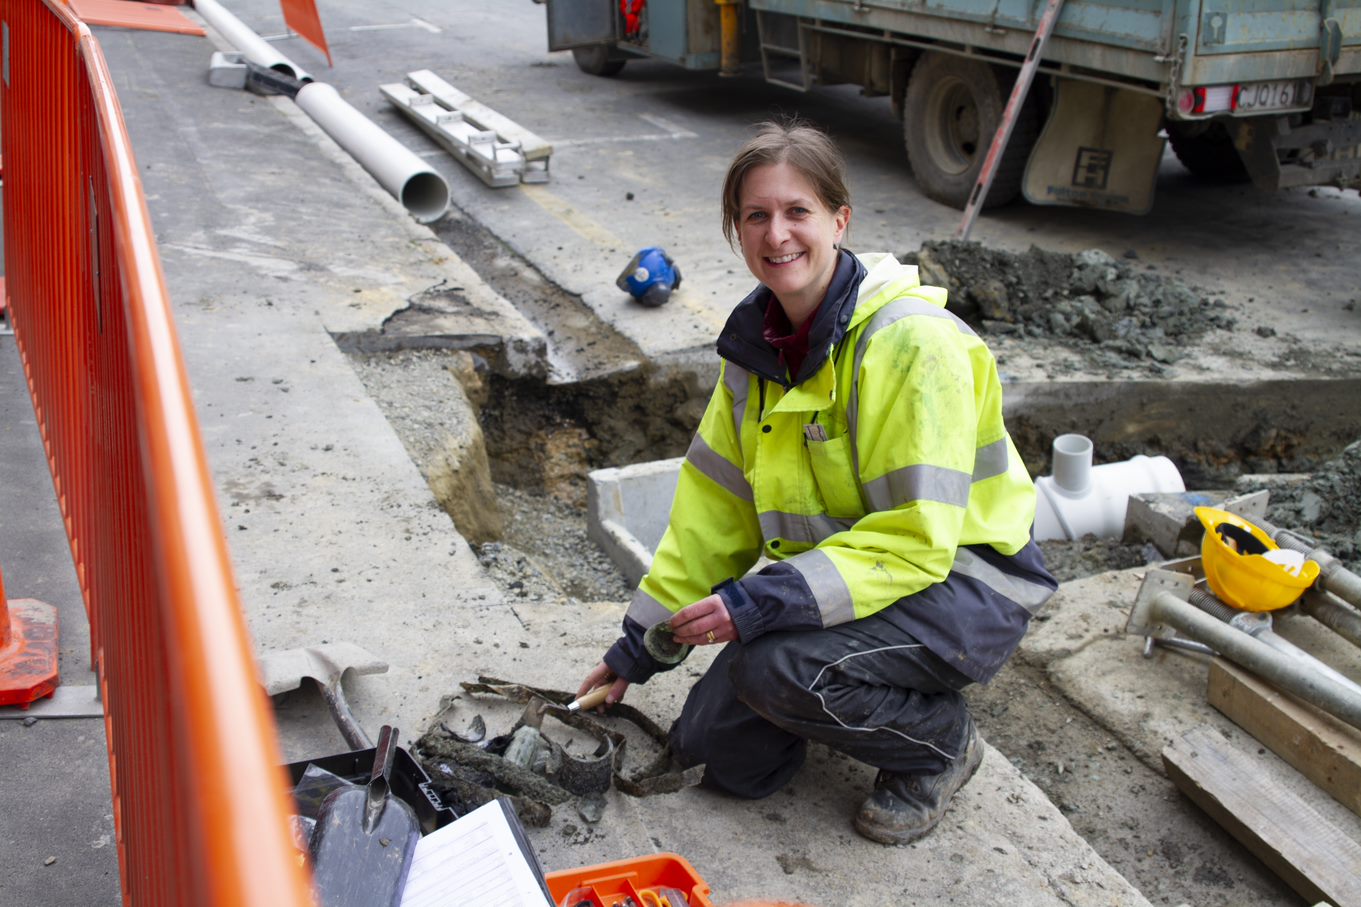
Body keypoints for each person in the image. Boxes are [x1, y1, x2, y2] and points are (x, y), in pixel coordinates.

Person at [577, 120, 1057, 845]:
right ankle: (832, 688)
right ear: (737, 232)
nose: (777, 235)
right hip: (865, 578)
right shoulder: (754, 355)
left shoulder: (909, 342)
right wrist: (637, 647)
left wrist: (763, 603)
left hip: (965, 583)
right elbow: (714, 515)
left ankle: (939, 741)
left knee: (778, 666)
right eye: (755, 215)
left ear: (839, 219)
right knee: (716, 757)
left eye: (796, 211)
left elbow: (915, 540)